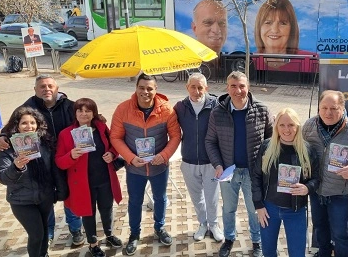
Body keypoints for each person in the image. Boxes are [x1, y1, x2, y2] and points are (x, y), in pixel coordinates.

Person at [0, 75, 84, 246]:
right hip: (43, 164)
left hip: (68, 159)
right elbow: (11, 127)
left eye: (50, 86)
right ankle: (47, 232)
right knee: (45, 195)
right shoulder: (26, 107)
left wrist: (98, 120)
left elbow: (85, 120)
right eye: (42, 86)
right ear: (35, 90)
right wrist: (1, 137)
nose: (46, 89)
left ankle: (75, 228)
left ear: (57, 88)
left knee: (69, 194)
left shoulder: (70, 106)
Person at [109, 73, 181, 255]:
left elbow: (175, 136)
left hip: (159, 167)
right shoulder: (123, 109)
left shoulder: (167, 110)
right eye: (141, 88)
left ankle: (159, 228)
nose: (145, 92)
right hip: (135, 168)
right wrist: (130, 158)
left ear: (156, 89)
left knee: (160, 198)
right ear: (136, 88)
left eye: (150, 88)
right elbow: (115, 137)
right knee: (135, 201)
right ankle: (134, 235)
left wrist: (164, 156)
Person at [206, 71, 273, 257]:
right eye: (233, 86)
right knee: (229, 208)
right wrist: (218, 165)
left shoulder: (262, 110)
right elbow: (210, 141)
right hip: (228, 171)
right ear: (227, 88)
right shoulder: (217, 112)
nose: (238, 90)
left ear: (248, 87)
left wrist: (265, 165)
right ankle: (229, 239)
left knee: (255, 209)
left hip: (254, 172)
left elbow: (272, 140)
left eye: (242, 86)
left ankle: (257, 241)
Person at [302, 90, 348, 257]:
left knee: (340, 235)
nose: (328, 113)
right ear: (319, 108)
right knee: (320, 229)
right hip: (316, 191)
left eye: (334, 108)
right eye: (324, 108)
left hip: (339, 194)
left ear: (342, 108)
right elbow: (299, 152)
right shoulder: (308, 126)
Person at [56, 98, 123, 257]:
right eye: (80, 110)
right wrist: (71, 155)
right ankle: (93, 243)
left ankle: (109, 235)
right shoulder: (66, 134)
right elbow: (59, 161)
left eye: (88, 110)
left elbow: (115, 145)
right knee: (88, 212)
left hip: (105, 179)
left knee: (106, 209)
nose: (84, 114)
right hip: (83, 183)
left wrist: (112, 154)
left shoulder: (101, 128)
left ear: (94, 113)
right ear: (75, 113)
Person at [0, 107, 67, 257]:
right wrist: (16, 166)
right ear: (16, 125)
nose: (29, 127)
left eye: (33, 123)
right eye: (24, 123)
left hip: (45, 197)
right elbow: (2, 177)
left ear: (38, 124)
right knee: (36, 235)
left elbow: (54, 170)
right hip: (21, 200)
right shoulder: (8, 147)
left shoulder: (45, 142)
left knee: (44, 230)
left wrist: (60, 191)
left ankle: (44, 254)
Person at [251, 108, 319, 257]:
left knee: (297, 253)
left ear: (297, 126)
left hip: (296, 211)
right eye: (282, 125)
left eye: (291, 125)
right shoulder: (267, 147)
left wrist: (307, 188)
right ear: (276, 127)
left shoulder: (308, 150)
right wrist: (259, 206)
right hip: (269, 209)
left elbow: (317, 178)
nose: (286, 129)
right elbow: (256, 176)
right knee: (268, 252)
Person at [173, 73, 223, 242]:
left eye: (200, 87)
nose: (197, 91)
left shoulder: (216, 104)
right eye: (193, 87)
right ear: (187, 88)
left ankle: (214, 225)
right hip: (188, 160)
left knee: (212, 197)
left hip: (211, 161)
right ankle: (203, 223)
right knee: (197, 197)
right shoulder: (180, 107)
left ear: (206, 89)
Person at [254, 0, 316, 71]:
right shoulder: (251, 60)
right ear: (259, 27)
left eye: (282, 23)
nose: (275, 30)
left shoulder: (311, 61)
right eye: (268, 22)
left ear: (292, 28)